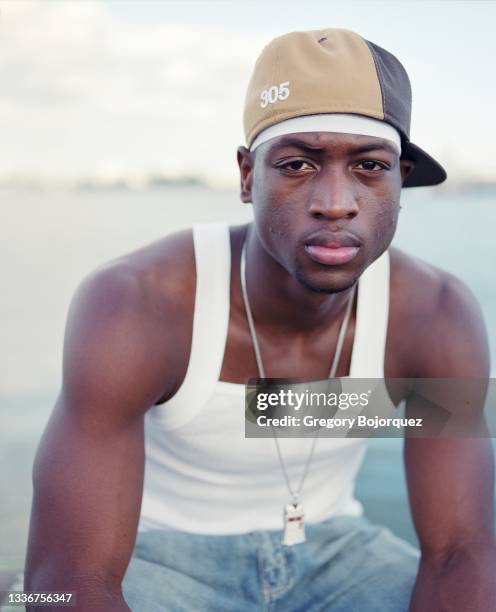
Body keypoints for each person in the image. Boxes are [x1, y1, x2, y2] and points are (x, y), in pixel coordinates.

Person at [24, 28, 495, 612]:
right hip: (157, 560)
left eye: (370, 165)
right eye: (298, 163)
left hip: (338, 555)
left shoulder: (436, 317)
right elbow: (67, 575)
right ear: (248, 176)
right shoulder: (136, 304)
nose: (335, 201)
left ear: (400, 180)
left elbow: (458, 550)